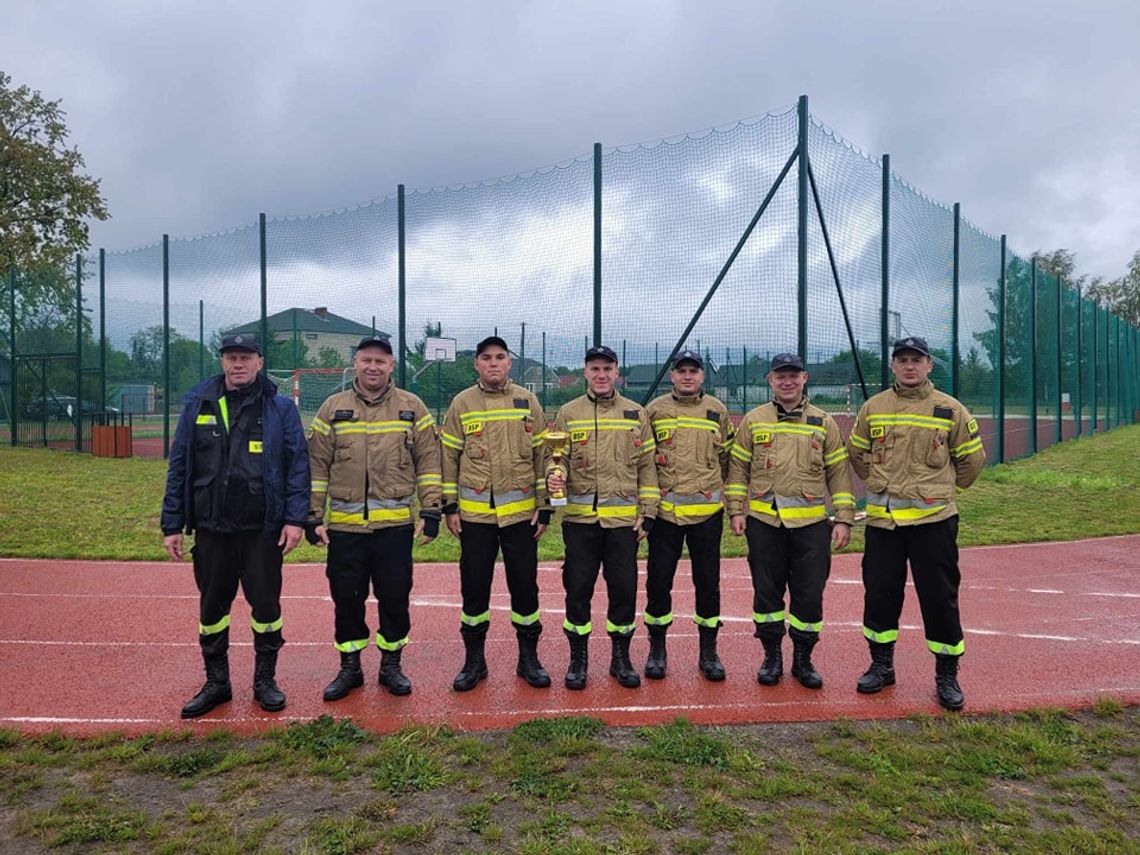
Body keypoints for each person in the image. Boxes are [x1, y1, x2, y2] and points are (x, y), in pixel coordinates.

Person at [161, 333, 310, 719]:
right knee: (212, 607)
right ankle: (217, 683)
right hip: (211, 528)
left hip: (262, 529)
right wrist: (172, 523)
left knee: (266, 606)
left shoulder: (279, 408)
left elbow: (298, 466)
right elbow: (179, 466)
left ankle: (265, 681)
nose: (238, 363)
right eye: (231, 357)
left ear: (260, 361)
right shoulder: (199, 404)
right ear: (223, 361)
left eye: (246, 356)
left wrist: (295, 519)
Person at [846, 336, 985, 710]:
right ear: (892, 366)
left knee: (940, 598)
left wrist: (942, 488)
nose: (909, 366)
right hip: (884, 523)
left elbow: (972, 461)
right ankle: (881, 665)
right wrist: (877, 483)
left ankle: (946, 675)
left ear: (929, 365)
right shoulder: (874, 408)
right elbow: (857, 451)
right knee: (880, 595)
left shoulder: (949, 409)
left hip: (933, 522)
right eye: (902, 360)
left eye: (916, 360)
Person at [307, 334, 442, 699]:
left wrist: (431, 510)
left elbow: (429, 462)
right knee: (346, 599)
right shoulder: (332, 408)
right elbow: (317, 466)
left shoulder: (412, 407)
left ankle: (391, 665)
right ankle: (349, 668)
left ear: (392, 365)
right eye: (366, 360)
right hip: (345, 528)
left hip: (395, 527)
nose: (373, 367)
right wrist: (312, 515)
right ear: (356, 364)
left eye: (380, 361)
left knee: (394, 598)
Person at [726, 352, 854, 689]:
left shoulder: (823, 422)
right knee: (767, 594)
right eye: (780, 375)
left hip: (811, 525)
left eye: (793, 375)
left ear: (804, 378)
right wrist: (737, 510)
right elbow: (738, 470)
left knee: (809, 594)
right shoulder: (754, 420)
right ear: (770, 380)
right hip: (765, 523)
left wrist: (843, 519)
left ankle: (803, 659)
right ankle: (772, 657)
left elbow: (839, 474)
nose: (787, 381)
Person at [439, 335, 552, 691]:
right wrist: (450, 507)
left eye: (500, 357)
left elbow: (543, 456)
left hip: (521, 517)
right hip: (476, 518)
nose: (493, 363)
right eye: (486, 357)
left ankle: (528, 659)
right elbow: (448, 459)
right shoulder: (462, 403)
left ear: (509, 363)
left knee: (525, 590)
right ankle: (474, 662)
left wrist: (545, 506)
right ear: (476, 363)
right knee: (474, 590)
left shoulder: (527, 401)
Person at [547, 345, 659, 689]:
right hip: (581, 522)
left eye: (607, 369)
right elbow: (557, 456)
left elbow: (647, 467)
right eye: (594, 368)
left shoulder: (635, 413)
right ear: (585, 372)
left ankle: (620, 658)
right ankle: (578, 659)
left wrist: (650, 511)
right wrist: (555, 472)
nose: (601, 375)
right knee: (577, 590)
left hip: (623, 523)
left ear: (616, 372)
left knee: (624, 591)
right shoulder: (568, 412)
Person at [642, 348, 735, 681]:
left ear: (702, 376)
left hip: (707, 515)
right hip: (666, 515)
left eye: (693, 371)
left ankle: (708, 653)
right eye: (681, 371)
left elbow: (727, 459)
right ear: (672, 375)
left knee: (708, 585)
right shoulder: (654, 411)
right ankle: (657, 650)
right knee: (658, 584)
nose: (687, 376)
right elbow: (645, 462)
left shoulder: (717, 411)